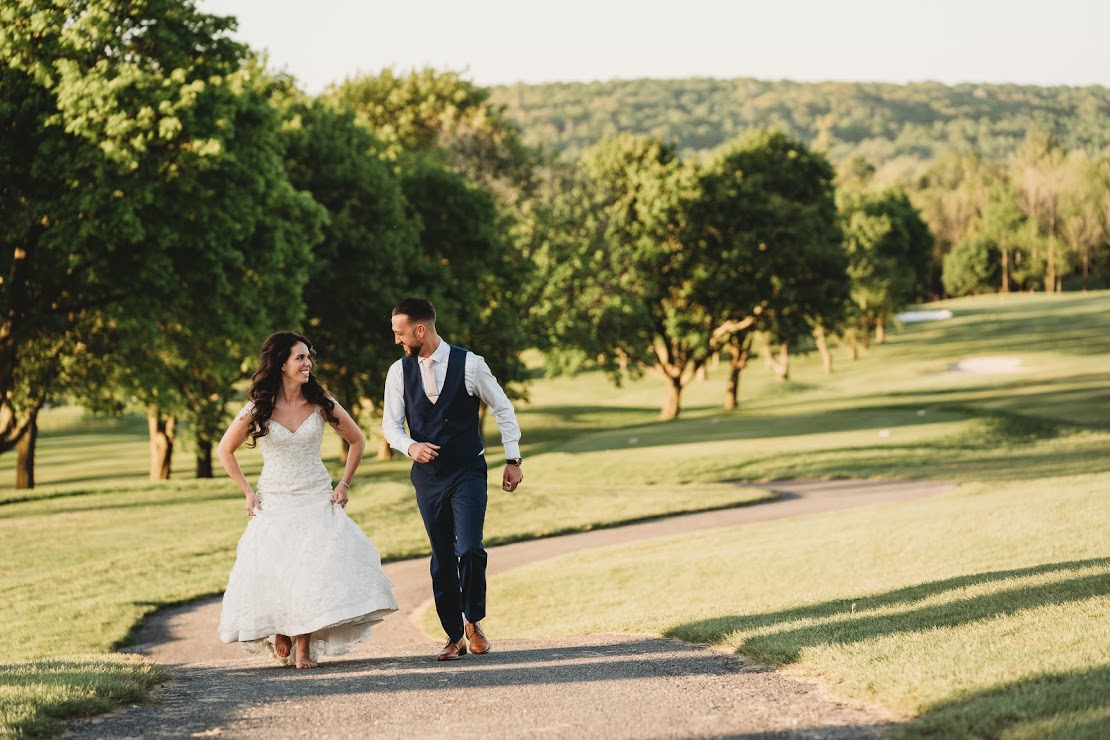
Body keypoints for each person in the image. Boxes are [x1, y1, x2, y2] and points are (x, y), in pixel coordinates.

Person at [216, 331, 398, 669]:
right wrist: (247, 492)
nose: (307, 363)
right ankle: (282, 626)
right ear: (281, 364)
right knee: (280, 568)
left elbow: (357, 441)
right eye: (300, 358)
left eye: (308, 357)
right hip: (276, 498)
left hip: (316, 495)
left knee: (312, 569)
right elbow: (225, 450)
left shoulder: (320, 401)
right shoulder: (258, 408)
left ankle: (303, 647)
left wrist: (344, 483)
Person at [383, 297, 524, 661]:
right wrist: (410, 446)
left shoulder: (470, 364)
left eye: (400, 333)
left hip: (468, 472)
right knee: (442, 555)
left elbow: (503, 406)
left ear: (420, 329)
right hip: (427, 479)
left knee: (470, 548)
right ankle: (452, 636)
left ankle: (473, 621)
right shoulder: (398, 372)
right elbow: (390, 426)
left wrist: (513, 457)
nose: (397, 340)